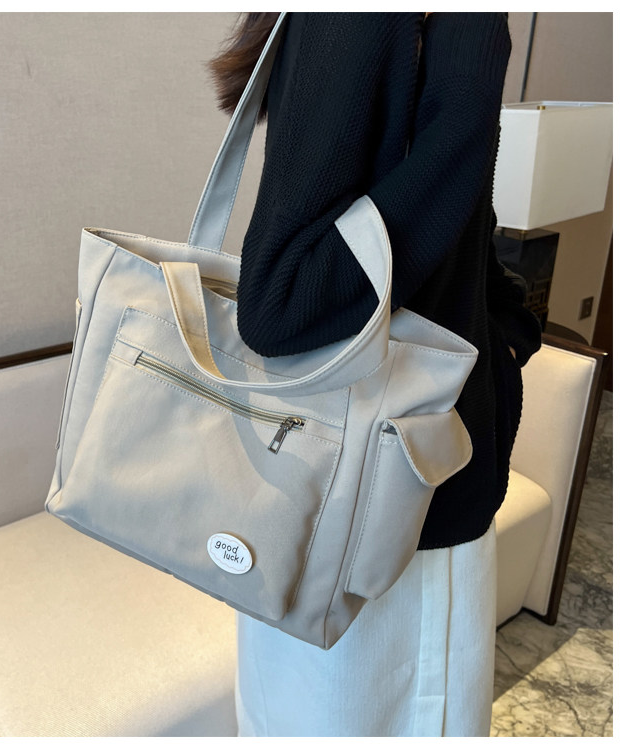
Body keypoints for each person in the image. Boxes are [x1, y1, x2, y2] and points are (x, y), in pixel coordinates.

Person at [207, 12, 542, 737]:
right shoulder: (360, 17)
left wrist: (509, 333)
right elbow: (282, 303)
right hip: (377, 507)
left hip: (391, 481)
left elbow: (458, 236)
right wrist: (470, 71)